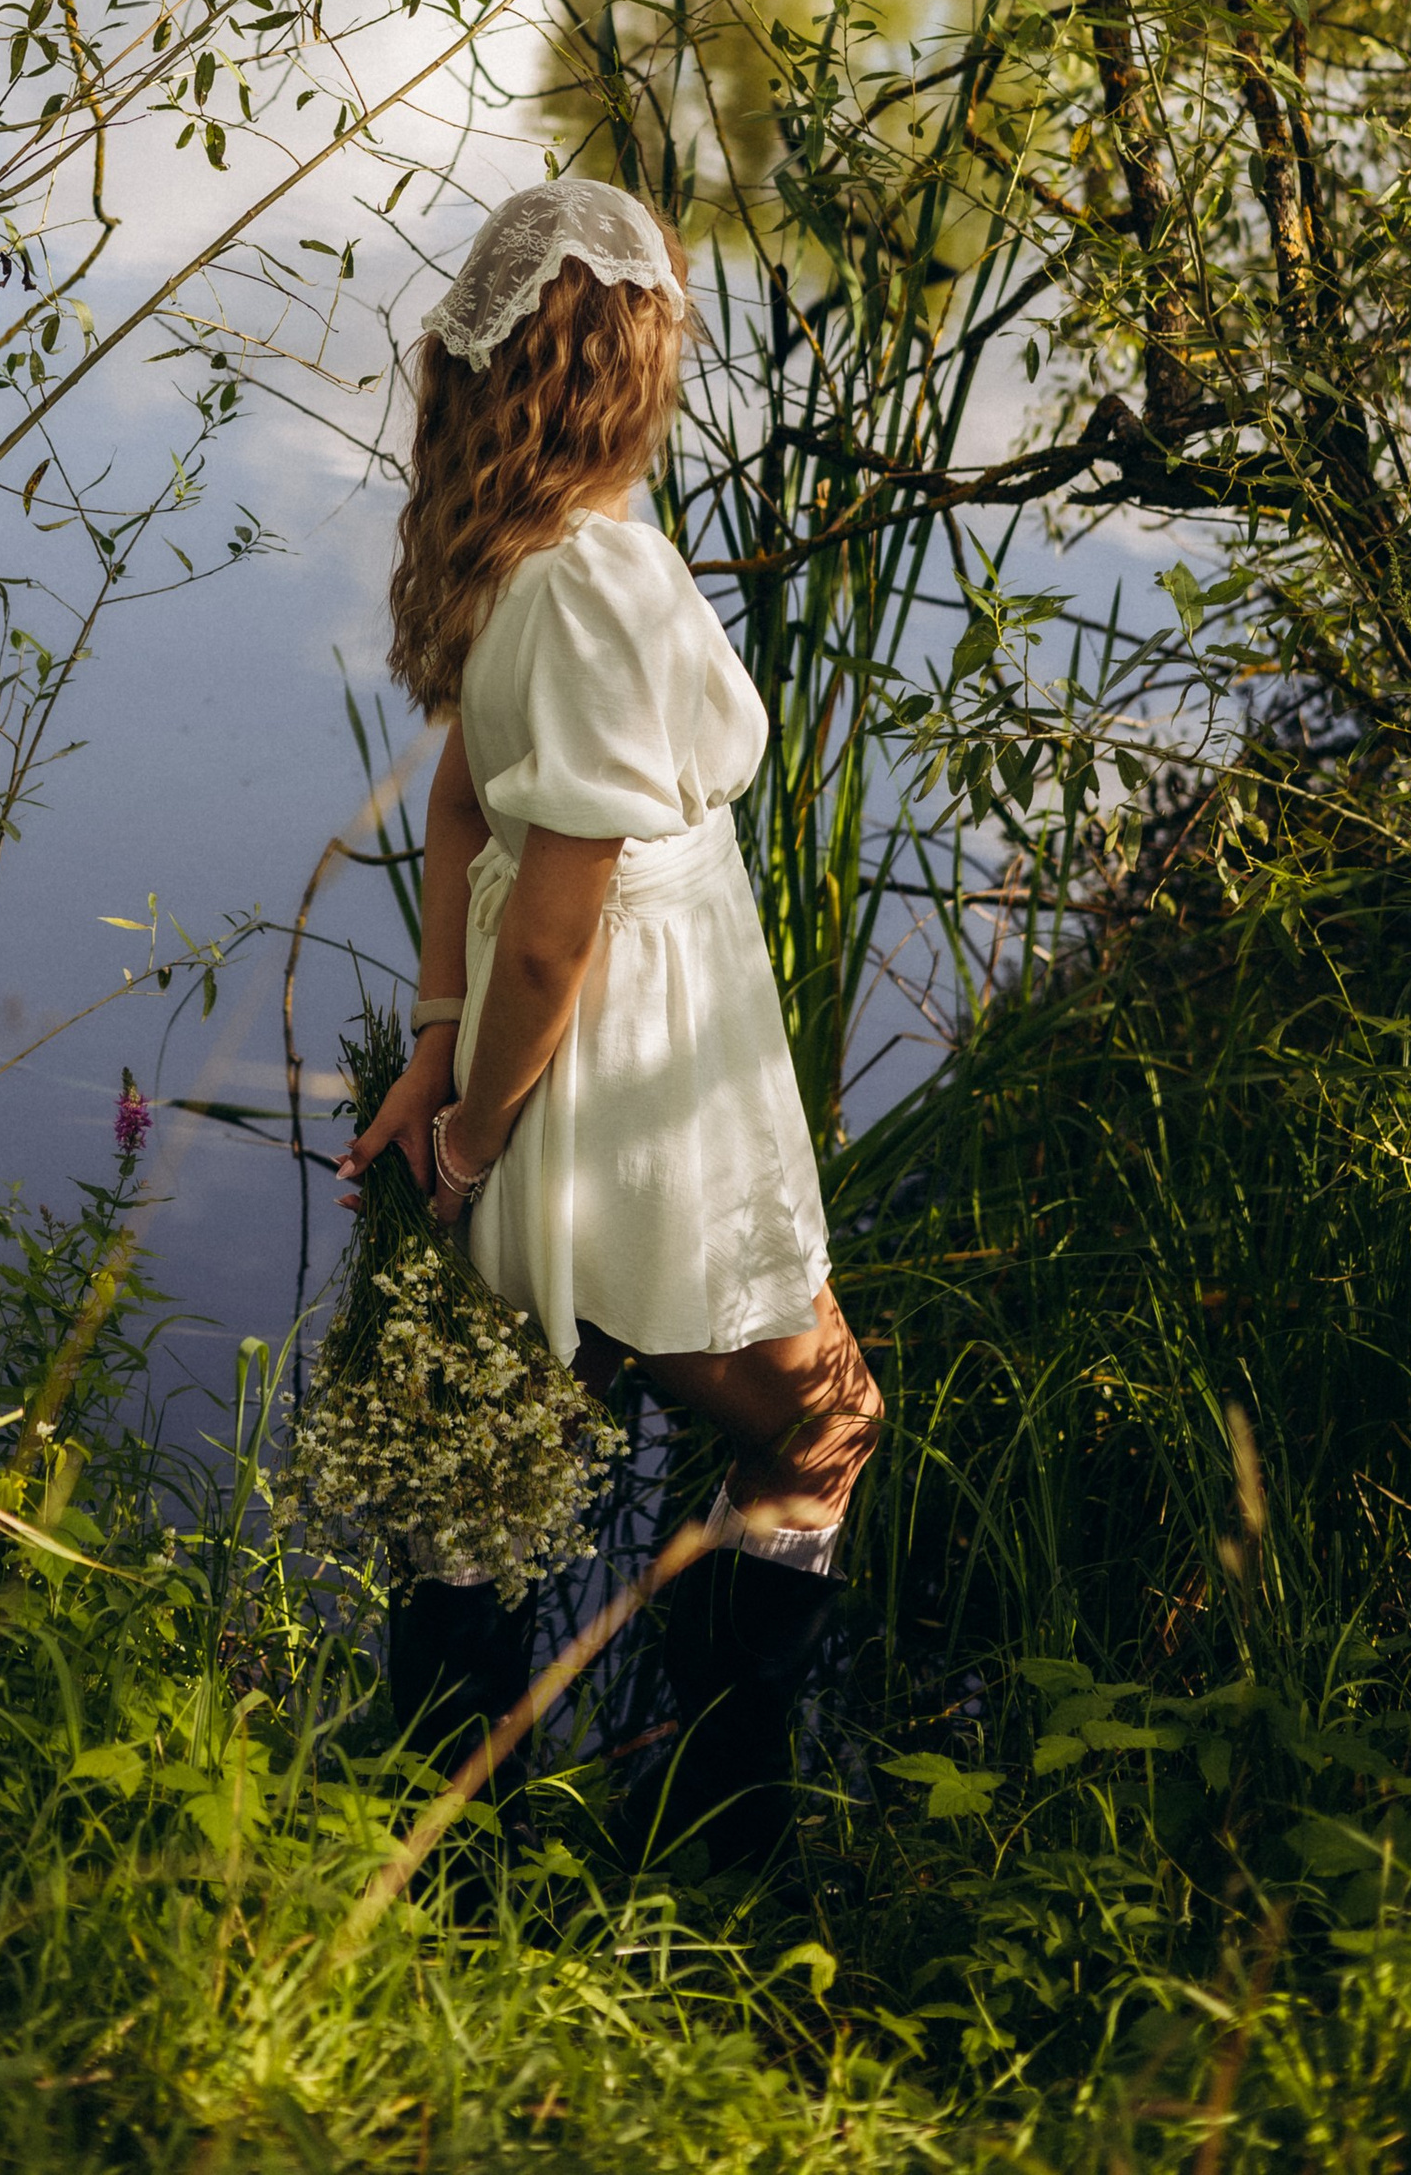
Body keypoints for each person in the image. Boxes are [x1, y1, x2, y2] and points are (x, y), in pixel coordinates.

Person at [340, 181, 883, 1875]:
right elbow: (556, 927)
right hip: (621, 1073)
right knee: (825, 1423)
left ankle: (445, 1839)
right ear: (619, 368)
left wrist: (435, 1053)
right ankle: (724, 1825)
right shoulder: (599, 581)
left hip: (547, 1062)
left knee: (500, 1476)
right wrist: (474, 1126)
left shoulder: (510, 557)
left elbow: (460, 815)